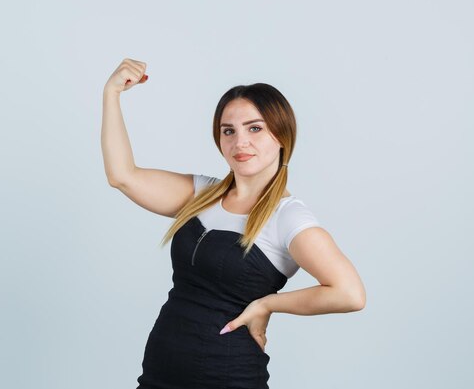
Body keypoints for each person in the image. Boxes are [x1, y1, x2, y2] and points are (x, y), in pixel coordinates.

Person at [101, 58, 366, 389]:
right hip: (160, 373)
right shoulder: (201, 193)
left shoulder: (287, 217)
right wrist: (111, 94)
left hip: (229, 377)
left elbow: (350, 293)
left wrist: (268, 304)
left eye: (255, 128)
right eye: (229, 131)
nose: (240, 142)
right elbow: (122, 176)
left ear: (281, 135)